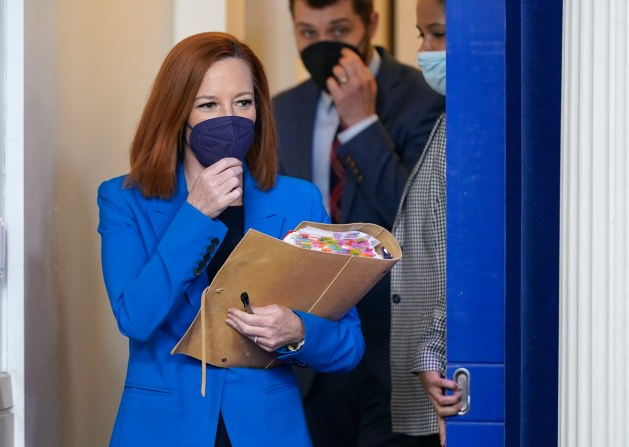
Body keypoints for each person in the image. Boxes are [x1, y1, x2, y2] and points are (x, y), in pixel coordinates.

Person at [97, 32, 365, 447]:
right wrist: (196, 214)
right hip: (162, 428)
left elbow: (349, 346)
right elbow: (136, 318)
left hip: (268, 430)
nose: (231, 118)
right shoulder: (122, 200)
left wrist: (297, 330)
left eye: (243, 102)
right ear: (176, 113)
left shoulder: (298, 200)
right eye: (208, 105)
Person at [273, 1, 446, 445]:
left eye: (338, 29)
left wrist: (361, 123)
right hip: (308, 347)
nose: (322, 45)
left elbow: (418, 221)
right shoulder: (282, 112)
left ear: (370, 23)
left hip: (393, 351)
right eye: (308, 34)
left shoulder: (426, 98)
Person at [390, 0, 462, 446]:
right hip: (433, 383)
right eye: (421, 35)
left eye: (437, 34)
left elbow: (469, 255)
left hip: (449, 379)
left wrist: (434, 343)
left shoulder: (481, 124)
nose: (424, 50)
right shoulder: (455, 115)